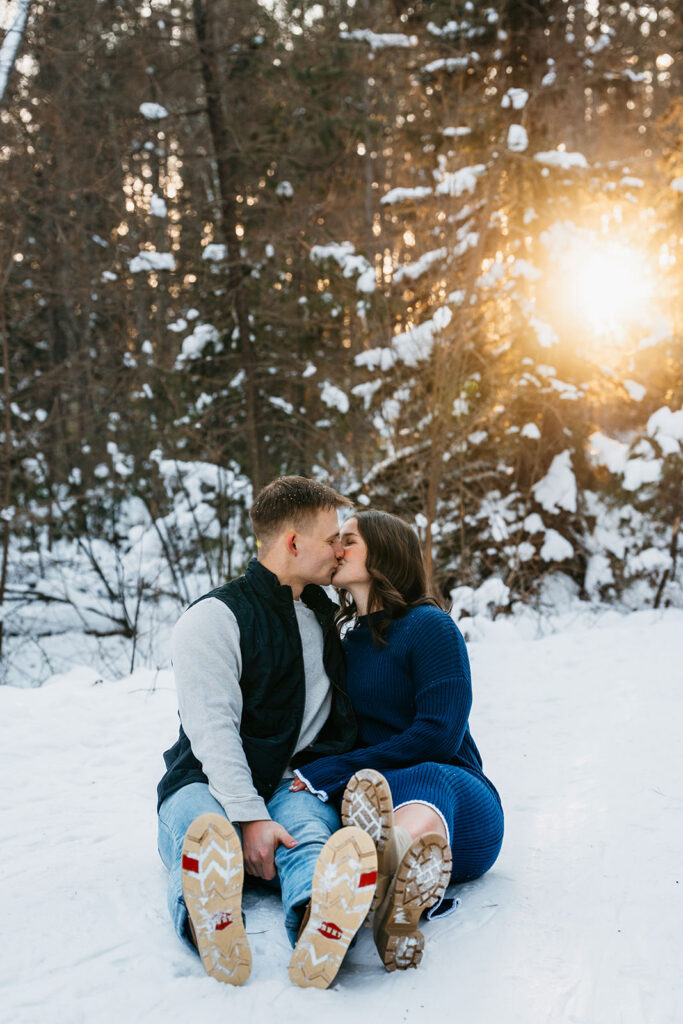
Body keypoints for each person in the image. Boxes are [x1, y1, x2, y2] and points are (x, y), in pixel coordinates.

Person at [156, 477, 378, 990]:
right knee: (204, 833)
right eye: (332, 540)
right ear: (293, 543)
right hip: (205, 779)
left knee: (308, 838)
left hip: (291, 781)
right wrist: (250, 816)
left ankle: (320, 919)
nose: (340, 550)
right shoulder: (214, 618)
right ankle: (209, 918)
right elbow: (212, 731)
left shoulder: (326, 616)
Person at [290, 509, 504, 971]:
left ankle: (391, 865)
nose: (336, 549)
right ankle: (382, 894)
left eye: (349, 540)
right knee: (364, 794)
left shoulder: (431, 627)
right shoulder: (347, 644)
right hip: (378, 793)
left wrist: (336, 770)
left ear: (383, 553)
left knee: (424, 777)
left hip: (459, 805)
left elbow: (439, 736)